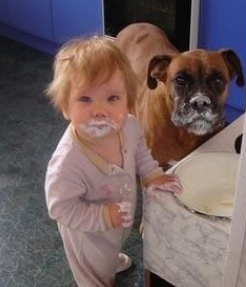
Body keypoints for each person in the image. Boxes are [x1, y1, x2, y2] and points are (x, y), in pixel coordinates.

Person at [44, 37, 182, 287]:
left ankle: (110, 260)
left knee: (111, 247)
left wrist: (153, 174)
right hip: (86, 235)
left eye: (112, 98)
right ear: (65, 106)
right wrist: (104, 216)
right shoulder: (67, 163)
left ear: (129, 100)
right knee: (94, 274)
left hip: (116, 223)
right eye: (85, 99)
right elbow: (60, 209)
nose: (100, 110)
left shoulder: (129, 125)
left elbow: (140, 150)